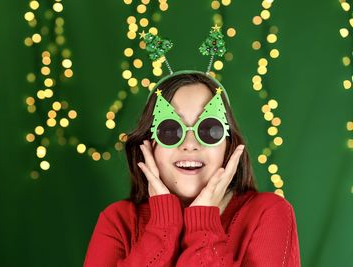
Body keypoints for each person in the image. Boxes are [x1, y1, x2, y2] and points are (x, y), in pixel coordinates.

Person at [84, 28, 301, 266]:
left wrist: (203, 225)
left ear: (228, 145)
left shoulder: (268, 213)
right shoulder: (117, 220)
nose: (190, 144)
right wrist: (163, 226)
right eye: (170, 130)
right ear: (148, 143)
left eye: (209, 130)